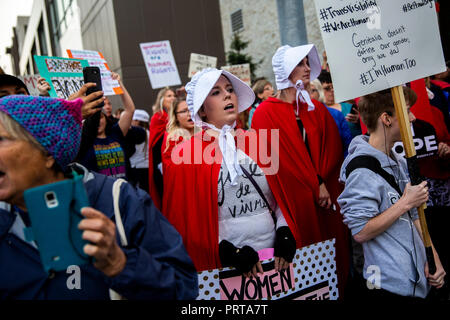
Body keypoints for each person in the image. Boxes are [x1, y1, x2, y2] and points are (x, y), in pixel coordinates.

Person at [0, 95, 198, 299]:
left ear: (47, 152)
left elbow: (183, 289)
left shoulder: (121, 202)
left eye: (1, 139)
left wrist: (121, 264)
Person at [163, 68, 298, 275]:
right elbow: (185, 222)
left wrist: (284, 231)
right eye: (215, 92)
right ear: (201, 110)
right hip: (225, 269)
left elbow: (282, 198)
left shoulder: (258, 141)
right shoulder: (185, 154)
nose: (227, 94)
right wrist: (228, 252)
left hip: (274, 263)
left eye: (229, 89)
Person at [251, 44, 350, 298]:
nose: (308, 69)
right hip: (294, 203)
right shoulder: (264, 113)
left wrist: (323, 181)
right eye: (301, 63)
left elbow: (332, 150)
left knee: (333, 264)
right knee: (304, 272)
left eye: (308, 63)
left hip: (327, 201)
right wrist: (313, 182)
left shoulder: (315, 109)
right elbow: (274, 161)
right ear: (286, 70)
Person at [337, 89, 446, 300]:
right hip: (387, 285)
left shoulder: (396, 158)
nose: (413, 118)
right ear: (386, 119)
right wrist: (405, 202)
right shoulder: (361, 170)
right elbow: (360, 231)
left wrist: (434, 257)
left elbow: (415, 216)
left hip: (416, 280)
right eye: (406, 112)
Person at [77, 72, 137, 179]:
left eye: (100, 117)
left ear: (106, 119)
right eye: (93, 119)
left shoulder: (116, 133)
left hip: (122, 190)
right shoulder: (84, 141)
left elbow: (130, 110)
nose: (97, 122)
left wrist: (119, 84)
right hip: (99, 193)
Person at [308, 79, 352, 158]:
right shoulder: (299, 118)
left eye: (312, 90)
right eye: (304, 91)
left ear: (320, 92)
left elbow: (347, 145)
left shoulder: (335, 114)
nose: (307, 94)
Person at [148, 87, 176, 210]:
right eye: (169, 96)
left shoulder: (181, 116)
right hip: (161, 165)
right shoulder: (158, 118)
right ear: (162, 100)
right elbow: (155, 144)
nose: (173, 98)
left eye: (174, 95)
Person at [318, 70, 362, 139]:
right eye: (327, 88)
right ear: (319, 90)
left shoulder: (350, 105)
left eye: (333, 87)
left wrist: (359, 120)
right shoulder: (318, 111)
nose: (332, 90)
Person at [128, 109, 151, 191]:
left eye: (132, 119)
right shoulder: (149, 132)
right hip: (147, 167)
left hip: (136, 167)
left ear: (137, 121)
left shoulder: (135, 134)